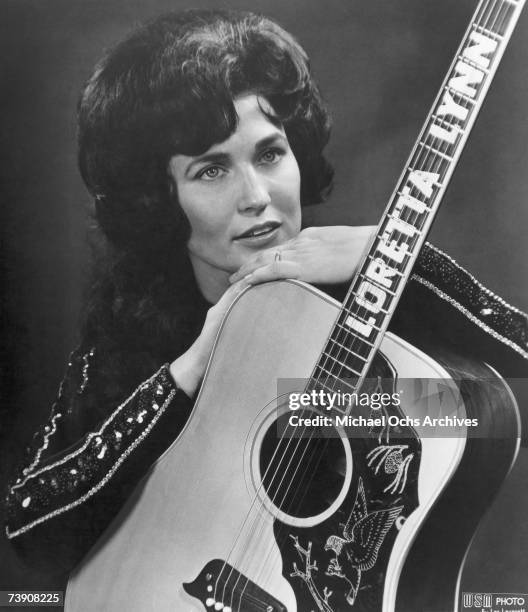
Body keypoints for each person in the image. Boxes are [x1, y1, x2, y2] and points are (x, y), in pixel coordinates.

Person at [5, 8, 527, 580]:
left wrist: (407, 263)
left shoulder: (374, 302)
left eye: (270, 153)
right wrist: (190, 371)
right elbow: (31, 529)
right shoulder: (136, 330)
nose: (255, 195)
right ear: (157, 200)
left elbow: (485, 416)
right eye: (210, 171)